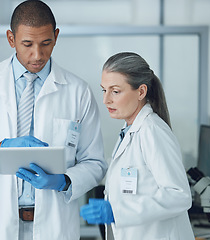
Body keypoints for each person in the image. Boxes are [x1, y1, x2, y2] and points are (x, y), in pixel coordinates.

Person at [0, 1, 107, 239]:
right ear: (11, 39)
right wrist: (0, 149)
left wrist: (64, 181)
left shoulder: (78, 91)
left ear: (56, 36)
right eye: (27, 44)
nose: (37, 54)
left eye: (46, 43)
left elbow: (95, 163)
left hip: (54, 226)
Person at [80, 52, 194, 239]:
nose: (106, 100)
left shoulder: (153, 131)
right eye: (104, 90)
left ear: (141, 92)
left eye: (115, 91)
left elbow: (179, 195)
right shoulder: (130, 130)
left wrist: (117, 212)